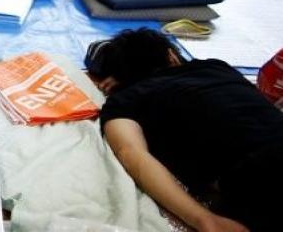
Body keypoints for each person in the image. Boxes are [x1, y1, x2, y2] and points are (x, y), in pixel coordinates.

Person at [87, 28, 283, 232]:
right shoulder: (216, 68)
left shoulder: (125, 101)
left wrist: (205, 219)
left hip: (256, 178)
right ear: (172, 56)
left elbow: (131, 153)